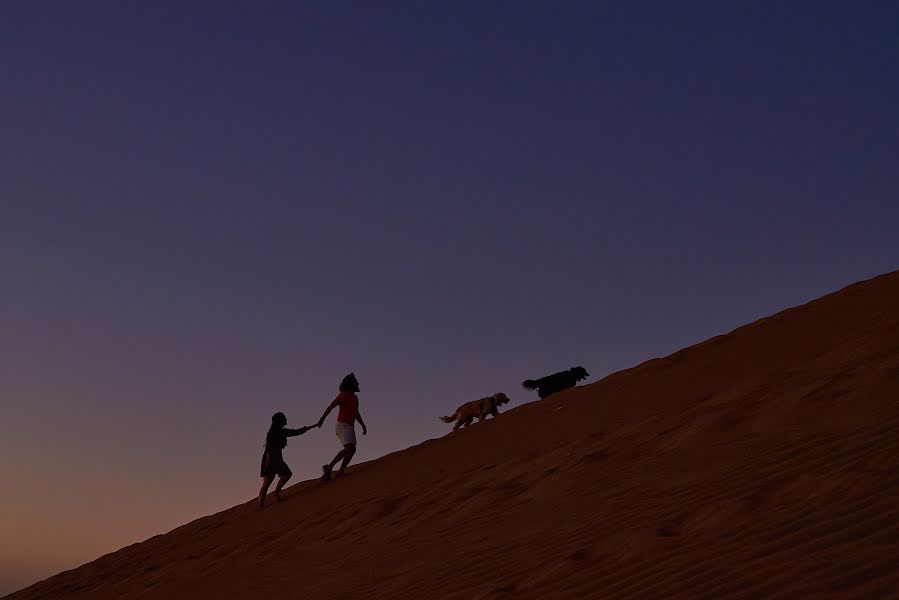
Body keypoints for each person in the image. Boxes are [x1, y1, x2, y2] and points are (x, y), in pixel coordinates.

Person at [317, 372, 367, 480]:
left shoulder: (355, 398)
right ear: (351, 384)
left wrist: (362, 425)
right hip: (342, 425)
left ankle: (340, 471)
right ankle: (329, 468)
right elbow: (331, 406)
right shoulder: (343, 395)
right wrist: (322, 419)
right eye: (356, 382)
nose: (358, 384)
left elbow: (355, 412)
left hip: (350, 426)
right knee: (349, 448)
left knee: (352, 450)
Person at [259, 412, 314, 508]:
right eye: (284, 419)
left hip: (276, 457)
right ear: (280, 421)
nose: (286, 420)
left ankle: (275, 493)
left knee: (286, 475)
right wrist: (268, 461)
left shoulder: (279, 431)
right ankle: (261, 505)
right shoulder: (275, 432)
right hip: (271, 458)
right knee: (267, 483)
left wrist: (308, 428)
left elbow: (294, 432)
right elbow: (270, 448)